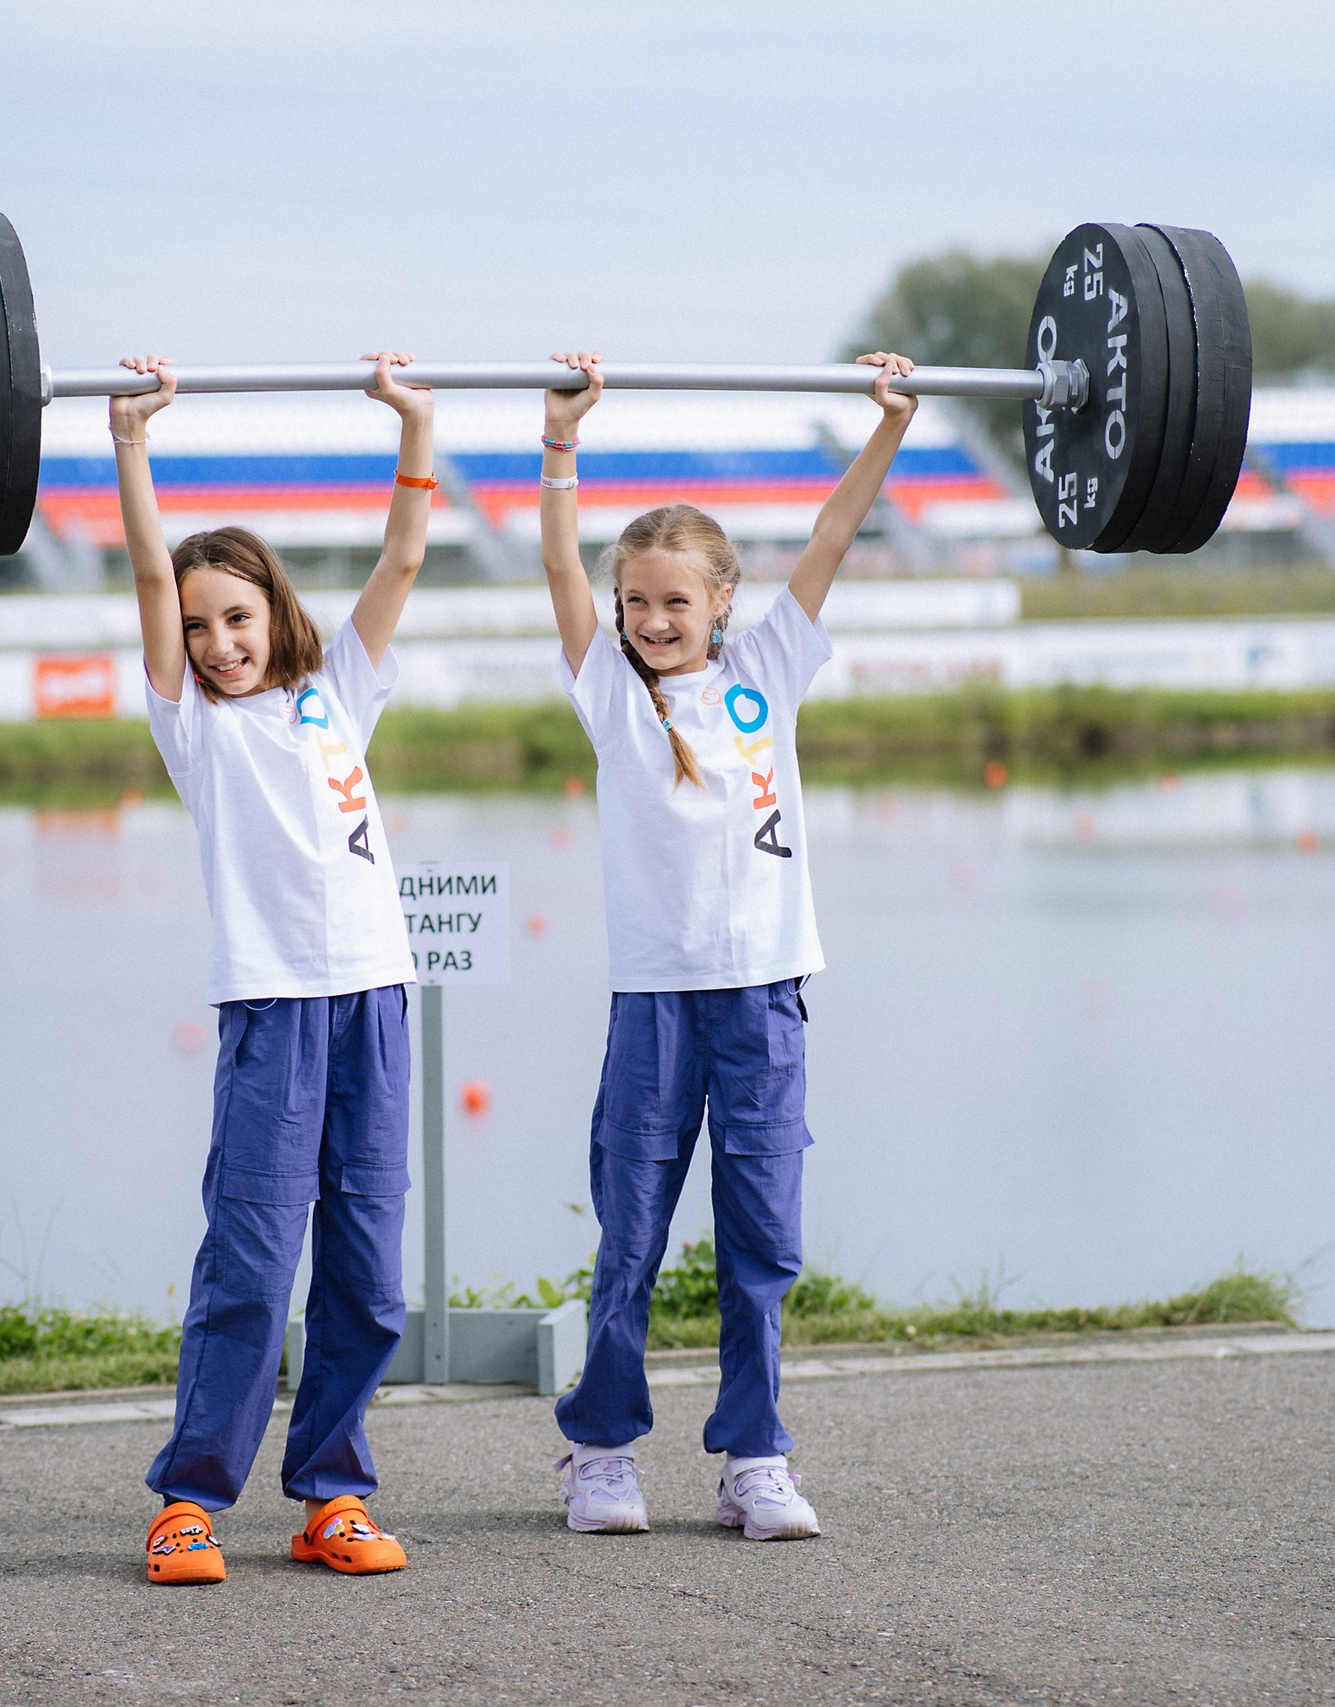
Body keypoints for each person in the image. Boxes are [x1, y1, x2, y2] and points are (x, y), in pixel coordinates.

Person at [533, 348, 918, 1540]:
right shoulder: (606, 687)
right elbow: (555, 557)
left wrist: (889, 426)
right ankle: (600, 1451)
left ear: (717, 607)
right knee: (631, 1234)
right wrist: (562, 439)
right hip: (654, 1003)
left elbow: (833, 538)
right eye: (636, 601)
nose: (652, 620)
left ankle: (755, 1455)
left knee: (760, 1247)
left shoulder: (766, 673)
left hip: (761, 1001)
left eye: (674, 602)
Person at [112, 351, 433, 1585]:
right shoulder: (192, 723)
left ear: (274, 612)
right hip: (272, 1008)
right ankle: (189, 1501)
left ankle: (332, 1495)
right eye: (197, 628)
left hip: (374, 1000)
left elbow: (401, 558)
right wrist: (133, 444)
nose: (217, 642)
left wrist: (415, 425)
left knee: (366, 1264)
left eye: (235, 617)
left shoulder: (335, 689)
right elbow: (150, 569)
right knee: (250, 1259)